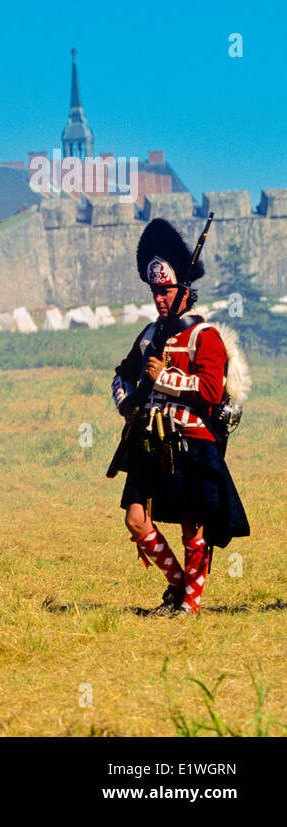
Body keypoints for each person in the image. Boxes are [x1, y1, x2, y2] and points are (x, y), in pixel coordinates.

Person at [112, 219, 250, 615]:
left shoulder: (204, 336)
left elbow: (210, 389)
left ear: (184, 290)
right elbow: (121, 374)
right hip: (148, 441)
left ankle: (189, 607)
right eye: (155, 290)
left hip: (190, 443)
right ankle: (179, 584)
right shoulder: (148, 336)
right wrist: (125, 402)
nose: (159, 297)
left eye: (166, 289)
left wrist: (165, 378)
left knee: (195, 529)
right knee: (137, 521)